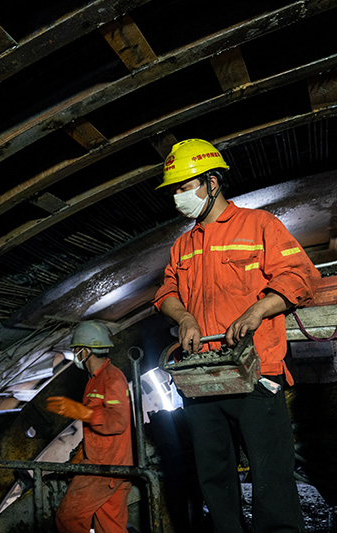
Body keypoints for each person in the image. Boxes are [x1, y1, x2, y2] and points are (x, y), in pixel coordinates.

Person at [153, 138, 321, 532]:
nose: (178, 197)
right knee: (214, 478)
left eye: (183, 186)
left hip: (256, 372)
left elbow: (301, 276)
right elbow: (166, 294)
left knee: (271, 478)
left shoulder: (260, 225)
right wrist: (185, 319)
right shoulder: (183, 246)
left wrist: (258, 309)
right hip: (202, 376)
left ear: (212, 182)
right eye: (174, 190)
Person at [47, 320, 133, 533]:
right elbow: (98, 434)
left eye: (76, 349)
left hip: (105, 468)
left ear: (86, 350)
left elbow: (118, 421)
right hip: (111, 466)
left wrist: (83, 412)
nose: (75, 353)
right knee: (110, 528)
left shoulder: (112, 378)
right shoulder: (95, 380)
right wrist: (80, 457)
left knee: (68, 519)